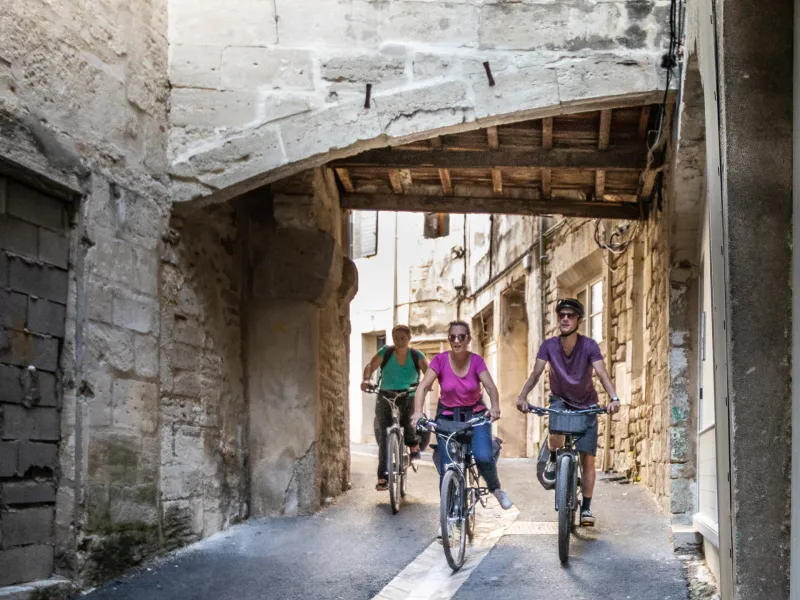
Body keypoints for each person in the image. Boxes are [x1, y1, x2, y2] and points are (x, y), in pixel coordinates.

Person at [516, 298, 620, 526]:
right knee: (554, 434)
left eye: (570, 315)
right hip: (561, 400)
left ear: (579, 321)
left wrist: (613, 398)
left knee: (588, 458)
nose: (564, 318)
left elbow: (602, 374)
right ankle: (553, 459)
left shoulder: (589, 346)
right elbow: (536, 374)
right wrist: (522, 397)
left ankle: (586, 509)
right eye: (561, 315)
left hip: (586, 403)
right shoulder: (549, 346)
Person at [412, 320, 513, 510]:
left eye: (461, 336)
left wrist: (495, 407)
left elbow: (490, 387)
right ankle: (448, 514)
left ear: (468, 339)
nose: (456, 340)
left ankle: (496, 489)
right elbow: (423, 387)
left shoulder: (476, 361)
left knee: (482, 456)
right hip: (447, 417)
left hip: (475, 416)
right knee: (446, 465)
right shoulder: (440, 361)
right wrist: (418, 412)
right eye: (452, 337)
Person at [361, 324, 429, 491]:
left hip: (409, 395)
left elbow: (429, 372)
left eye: (403, 338)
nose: (399, 342)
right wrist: (367, 379)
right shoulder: (386, 351)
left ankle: (413, 444)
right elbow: (371, 366)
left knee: (409, 422)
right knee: (385, 437)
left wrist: (427, 385)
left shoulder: (416, 355)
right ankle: (382, 477)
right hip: (385, 395)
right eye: (396, 338)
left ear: (409, 338)